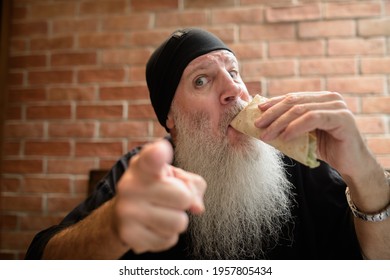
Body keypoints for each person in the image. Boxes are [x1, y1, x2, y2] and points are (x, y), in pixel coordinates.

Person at [25, 28, 390, 260]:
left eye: (233, 72)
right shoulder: (142, 172)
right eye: (202, 81)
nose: (234, 90)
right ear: (170, 118)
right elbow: (41, 262)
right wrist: (112, 227)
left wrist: (364, 174)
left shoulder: (295, 161)